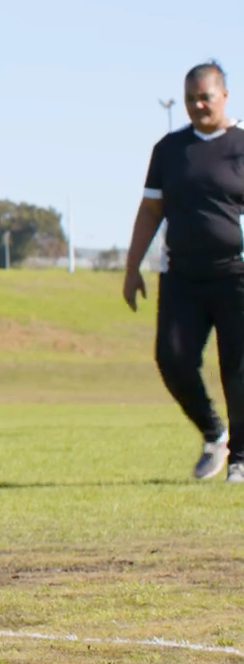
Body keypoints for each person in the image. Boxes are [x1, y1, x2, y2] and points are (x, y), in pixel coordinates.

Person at [122, 62, 244, 482]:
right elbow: (151, 210)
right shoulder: (170, 149)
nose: (197, 105)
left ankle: (241, 458)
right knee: (172, 358)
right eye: (190, 98)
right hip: (182, 277)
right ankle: (215, 434)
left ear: (224, 95)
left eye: (205, 97)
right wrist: (132, 266)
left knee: (237, 368)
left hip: (236, 276)